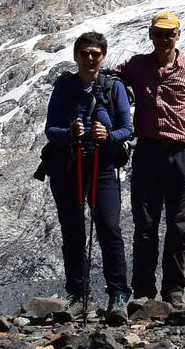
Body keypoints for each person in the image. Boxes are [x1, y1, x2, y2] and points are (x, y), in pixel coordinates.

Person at [114, 10, 185, 307]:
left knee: (179, 225)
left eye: (169, 33)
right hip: (149, 151)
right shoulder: (136, 66)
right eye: (159, 33)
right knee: (145, 226)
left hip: (184, 153)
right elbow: (112, 79)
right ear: (151, 35)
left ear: (178, 35)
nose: (164, 38)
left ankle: (173, 290)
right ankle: (143, 291)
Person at [42, 30, 134, 319]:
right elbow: (51, 129)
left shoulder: (113, 87)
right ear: (76, 56)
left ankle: (118, 295)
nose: (90, 58)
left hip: (102, 166)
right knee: (73, 232)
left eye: (96, 54)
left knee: (109, 228)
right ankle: (77, 295)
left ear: (103, 57)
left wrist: (107, 136)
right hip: (67, 166)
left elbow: (127, 129)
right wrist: (69, 133)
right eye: (85, 53)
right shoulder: (64, 87)